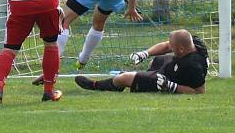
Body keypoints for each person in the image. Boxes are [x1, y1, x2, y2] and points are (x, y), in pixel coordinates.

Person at [74, 29, 208, 94]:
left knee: (123, 78)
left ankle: (96, 85)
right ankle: (138, 78)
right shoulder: (193, 43)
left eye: (173, 48)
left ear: (181, 49)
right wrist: (145, 53)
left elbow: (199, 91)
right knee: (156, 60)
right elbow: (166, 45)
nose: (170, 48)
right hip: (171, 69)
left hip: (167, 80)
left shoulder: (193, 66)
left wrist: (172, 87)